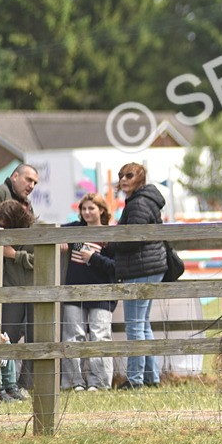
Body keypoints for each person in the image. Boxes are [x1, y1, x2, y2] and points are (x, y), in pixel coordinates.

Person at [113, 163, 168, 389]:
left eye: (129, 175)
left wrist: (112, 243)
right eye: (121, 176)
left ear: (140, 178)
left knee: (135, 325)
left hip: (141, 267)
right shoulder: (144, 200)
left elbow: (133, 238)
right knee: (143, 324)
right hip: (150, 266)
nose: (124, 179)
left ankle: (135, 380)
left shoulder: (138, 203)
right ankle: (150, 377)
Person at [60, 194, 116, 392]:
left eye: (91, 208)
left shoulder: (109, 237)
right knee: (73, 335)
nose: (87, 212)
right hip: (74, 291)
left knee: (100, 336)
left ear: (101, 210)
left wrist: (93, 258)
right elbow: (56, 232)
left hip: (102, 293)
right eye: (84, 209)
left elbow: (116, 267)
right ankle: (73, 381)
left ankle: (98, 382)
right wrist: (60, 242)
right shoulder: (75, 230)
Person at [0, 200, 34, 401]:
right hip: (9, 293)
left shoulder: (34, 233)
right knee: (7, 338)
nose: (1, 228)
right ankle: (6, 385)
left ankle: (28, 384)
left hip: (36, 292)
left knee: (36, 339)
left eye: (5, 225)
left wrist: (15, 255)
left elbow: (42, 261)